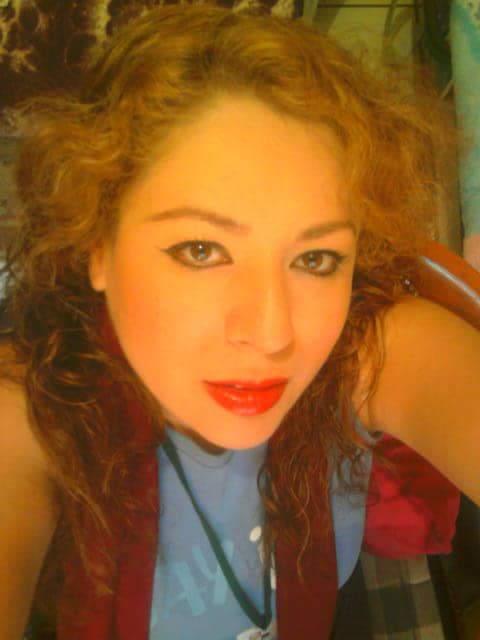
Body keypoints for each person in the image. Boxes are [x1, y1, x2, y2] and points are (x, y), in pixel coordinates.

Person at [0, 3, 479, 639]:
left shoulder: (361, 353)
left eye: (315, 258)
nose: (273, 333)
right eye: (201, 250)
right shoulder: (31, 414)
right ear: (98, 246)